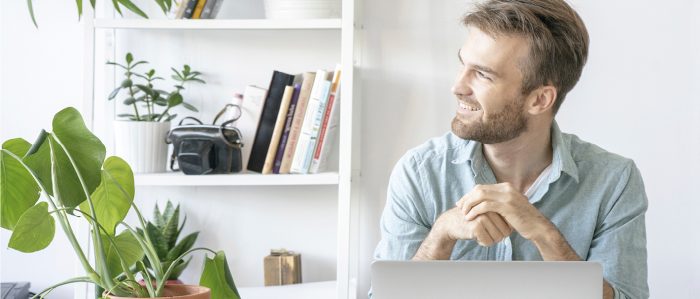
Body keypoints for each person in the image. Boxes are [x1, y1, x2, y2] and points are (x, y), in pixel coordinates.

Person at [373, 1, 649, 298]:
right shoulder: (420, 173)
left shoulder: (614, 181)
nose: (458, 86)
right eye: (462, 64)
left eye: (483, 74)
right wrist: (440, 237)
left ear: (540, 100)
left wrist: (544, 235)